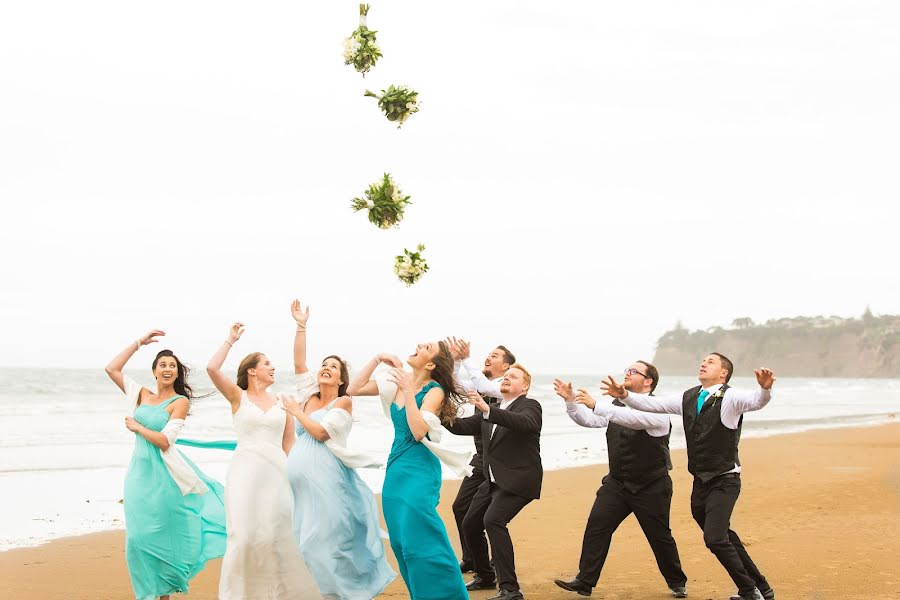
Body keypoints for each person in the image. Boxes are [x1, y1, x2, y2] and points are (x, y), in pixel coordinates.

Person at [605, 353, 776, 600]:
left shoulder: (731, 396)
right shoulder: (689, 397)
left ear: (723, 373)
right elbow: (653, 405)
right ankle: (763, 587)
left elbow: (756, 402)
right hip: (701, 483)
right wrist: (624, 396)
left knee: (715, 539)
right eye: (703, 360)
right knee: (724, 536)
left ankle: (750, 591)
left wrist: (764, 390)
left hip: (725, 480)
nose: (704, 363)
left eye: (711, 362)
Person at [282, 300, 395, 599]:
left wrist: (295, 412)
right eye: (324, 365)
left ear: (342, 379)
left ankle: (347, 593)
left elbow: (320, 433)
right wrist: (301, 325)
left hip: (329, 481)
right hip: (302, 488)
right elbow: (298, 363)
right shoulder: (308, 396)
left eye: (333, 367)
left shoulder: (343, 402)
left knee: (326, 542)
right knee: (306, 543)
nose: (325, 369)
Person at [104, 330, 226, 600]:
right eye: (163, 365)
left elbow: (164, 441)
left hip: (165, 478)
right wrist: (138, 343)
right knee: (137, 540)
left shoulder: (179, 402)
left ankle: (164, 594)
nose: (168, 369)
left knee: (161, 537)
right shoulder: (141, 395)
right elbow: (112, 368)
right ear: (155, 371)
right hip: (138, 476)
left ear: (177, 373)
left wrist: (137, 427)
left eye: (172, 366)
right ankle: (147, 594)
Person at [552, 361, 687, 598]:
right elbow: (590, 420)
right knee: (597, 526)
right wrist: (571, 402)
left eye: (634, 371)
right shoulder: (615, 406)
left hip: (651, 485)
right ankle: (585, 580)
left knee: (659, 536)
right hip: (617, 483)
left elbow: (633, 419)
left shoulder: (659, 411)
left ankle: (677, 582)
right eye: (627, 370)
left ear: (648, 381)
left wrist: (597, 405)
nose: (627, 373)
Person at [347, 341, 471, 600]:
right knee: (402, 544)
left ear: (430, 364)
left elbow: (417, 432)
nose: (418, 345)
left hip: (420, 470)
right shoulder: (395, 385)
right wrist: (377, 357)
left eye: (426, 347)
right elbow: (353, 388)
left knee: (421, 540)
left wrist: (406, 388)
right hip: (396, 470)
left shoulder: (434, 391)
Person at [206, 322, 320, 599]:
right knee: (243, 536)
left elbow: (289, 443)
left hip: (277, 472)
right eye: (266, 363)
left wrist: (300, 476)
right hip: (244, 472)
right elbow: (212, 369)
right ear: (252, 370)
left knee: (275, 536)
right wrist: (230, 340)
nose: (272, 367)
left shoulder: (284, 400)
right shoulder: (238, 397)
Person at [445, 363, 542, 600]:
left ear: (525, 386)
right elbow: (460, 427)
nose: (507, 379)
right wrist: (438, 410)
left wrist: (486, 411)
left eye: (514, 376)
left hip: (519, 480)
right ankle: (486, 576)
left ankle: (510, 588)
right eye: (505, 377)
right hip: (492, 482)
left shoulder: (530, 406)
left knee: (493, 521)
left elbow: (526, 423)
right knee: (470, 524)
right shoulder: (490, 409)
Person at [446, 337, 516, 573]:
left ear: (506, 367)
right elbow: (453, 384)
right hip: (480, 457)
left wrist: (466, 359)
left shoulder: (504, 387)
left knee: (490, 515)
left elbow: (485, 388)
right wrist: (456, 361)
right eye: (489, 354)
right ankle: (472, 558)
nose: (488, 357)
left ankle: (493, 563)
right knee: (460, 507)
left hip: (501, 460)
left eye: (495, 356)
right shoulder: (479, 383)